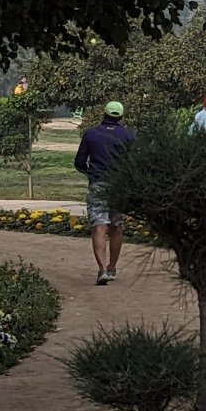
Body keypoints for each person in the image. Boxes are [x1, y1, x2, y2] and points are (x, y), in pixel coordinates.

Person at [74, 98, 137, 284]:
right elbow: (133, 162)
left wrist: (91, 173)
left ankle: (101, 269)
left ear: (104, 114)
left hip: (98, 183)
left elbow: (79, 162)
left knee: (99, 226)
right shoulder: (128, 135)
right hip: (118, 186)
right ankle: (112, 267)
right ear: (121, 116)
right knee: (116, 226)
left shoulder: (91, 134)